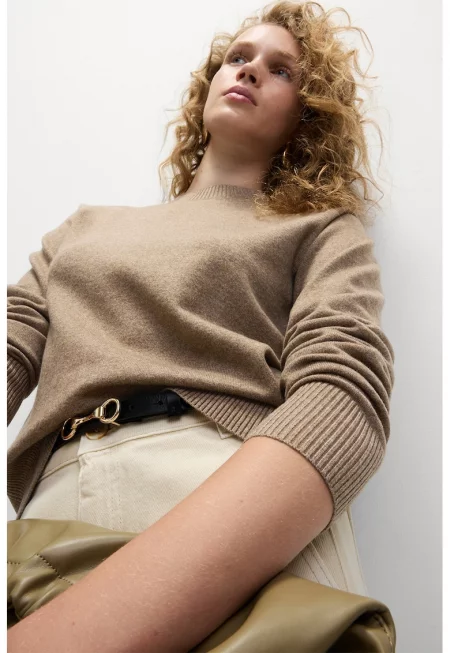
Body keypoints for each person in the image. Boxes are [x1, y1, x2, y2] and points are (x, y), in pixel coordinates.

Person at [7, 1, 395, 651]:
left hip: (244, 503)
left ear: (307, 116)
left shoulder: (321, 228)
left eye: (281, 70)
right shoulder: (85, 228)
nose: (250, 70)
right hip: (56, 516)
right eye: (238, 57)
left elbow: (342, 399)